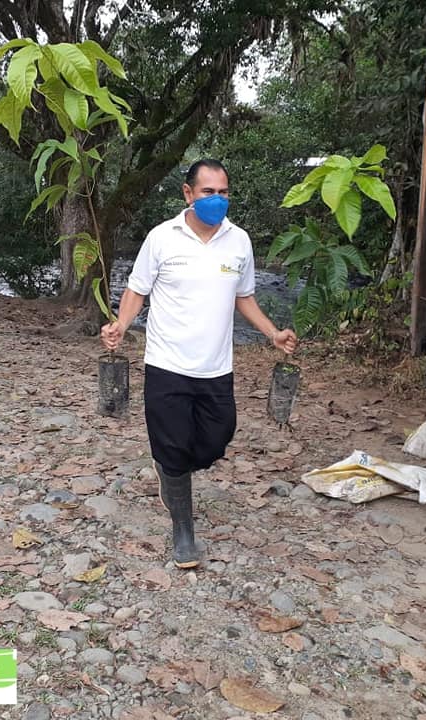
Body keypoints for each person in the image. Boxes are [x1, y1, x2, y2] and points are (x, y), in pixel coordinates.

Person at [101, 159, 297, 568]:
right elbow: (137, 290)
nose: (217, 200)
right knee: (173, 448)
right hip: (166, 363)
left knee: (214, 442)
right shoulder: (162, 238)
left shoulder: (239, 241)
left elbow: (244, 297)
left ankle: (171, 471)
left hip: (216, 367)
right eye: (209, 192)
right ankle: (183, 529)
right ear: (188, 193)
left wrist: (272, 333)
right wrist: (121, 324)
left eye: (223, 192)